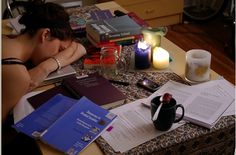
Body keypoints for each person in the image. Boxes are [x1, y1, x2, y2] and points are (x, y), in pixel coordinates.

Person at [2, 0, 86, 123]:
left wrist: (45, 67)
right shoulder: (16, 74)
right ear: (45, 34)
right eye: (59, 49)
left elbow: (79, 48)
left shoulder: (4, 38)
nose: (59, 55)